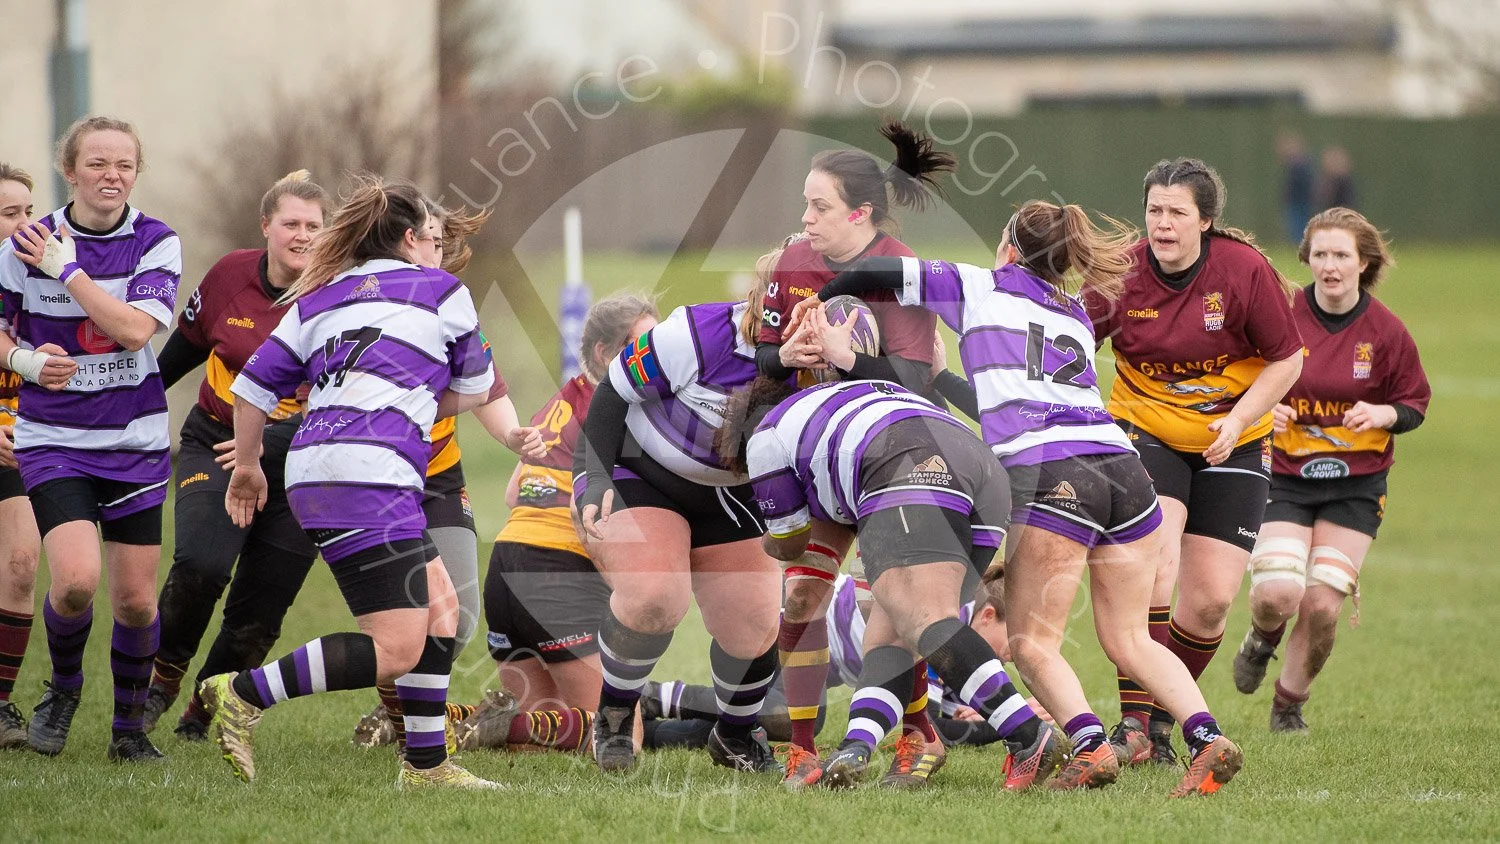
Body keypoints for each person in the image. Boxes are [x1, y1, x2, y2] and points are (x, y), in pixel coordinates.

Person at [804, 199, 1245, 796]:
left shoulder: (977, 287)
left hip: (1054, 475)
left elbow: (876, 271)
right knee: (1131, 638)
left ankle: (1088, 745)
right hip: (1125, 470)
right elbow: (1009, 395)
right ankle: (1206, 736)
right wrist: (932, 377)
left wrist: (822, 300)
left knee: (1032, 643)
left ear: (1009, 245)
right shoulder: (1074, 314)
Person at [199, 176, 501, 790]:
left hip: (318, 468)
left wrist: (252, 464)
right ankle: (243, 692)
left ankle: (425, 767)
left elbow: (252, 390)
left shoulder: (321, 295)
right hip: (371, 474)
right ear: (413, 238)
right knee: (395, 646)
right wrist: (408, 399)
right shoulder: (443, 292)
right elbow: (475, 389)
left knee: (441, 612)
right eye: (430, 236)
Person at [720, 376, 1064, 791]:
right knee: (897, 635)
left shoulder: (765, 439)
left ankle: (1030, 735)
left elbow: (790, 542)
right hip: (982, 470)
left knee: (926, 620)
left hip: (905, 463)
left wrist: (769, 538)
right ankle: (858, 746)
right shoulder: (835, 412)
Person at [752, 122, 957, 784]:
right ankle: (803, 749)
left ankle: (919, 734)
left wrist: (848, 358)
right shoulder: (791, 264)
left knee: (887, 605)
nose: (804, 219)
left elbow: (919, 385)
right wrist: (783, 358)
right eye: (805, 204)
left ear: (860, 214)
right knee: (801, 598)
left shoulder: (900, 271)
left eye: (820, 207)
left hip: (895, 461)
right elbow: (760, 365)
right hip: (821, 463)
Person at [1087, 158, 1303, 764]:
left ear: (1206, 221)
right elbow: (1072, 341)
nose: (1163, 223)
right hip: (1146, 427)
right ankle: (1133, 727)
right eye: (1154, 210)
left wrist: (1237, 421)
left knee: (1208, 603)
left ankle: (1158, 718)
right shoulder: (1121, 276)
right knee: (1156, 563)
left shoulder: (1242, 270)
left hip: (1234, 436)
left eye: (1177, 212)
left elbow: (1288, 360)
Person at [0, 117, 181, 762]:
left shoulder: (158, 242)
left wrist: (67, 271)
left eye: (124, 165)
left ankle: (128, 731)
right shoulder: (24, 242)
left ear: (136, 173)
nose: (112, 176)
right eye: (97, 163)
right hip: (53, 439)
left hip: (134, 440)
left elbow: (135, 331)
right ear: (69, 171)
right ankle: (65, 689)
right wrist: (22, 364)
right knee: (74, 582)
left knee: (135, 602)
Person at [350, 198, 543, 753]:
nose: (439, 251)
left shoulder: (449, 305)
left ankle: (399, 719)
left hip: (435, 477)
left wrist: (511, 437)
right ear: (401, 241)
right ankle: (401, 722)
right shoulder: (358, 302)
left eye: (441, 240)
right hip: (373, 480)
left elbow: (484, 384)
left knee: (457, 620)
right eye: (429, 240)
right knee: (399, 625)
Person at [141, 171, 329, 740]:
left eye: (314, 227)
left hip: (301, 467)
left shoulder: (342, 295)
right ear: (266, 226)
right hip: (214, 445)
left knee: (259, 613)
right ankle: (161, 681)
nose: (302, 236)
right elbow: (171, 363)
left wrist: (267, 443)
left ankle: (205, 708)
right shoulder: (228, 276)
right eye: (291, 223)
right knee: (201, 566)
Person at [573, 291, 793, 776]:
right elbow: (611, 387)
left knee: (756, 625)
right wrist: (594, 478)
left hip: (730, 493)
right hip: (642, 472)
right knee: (654, 597)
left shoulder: (823, 357)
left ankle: (734, 735)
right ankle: (613, 714)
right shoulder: (699, 332)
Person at [1232, 208, 1429, 733]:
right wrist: (1262, 406)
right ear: (1307, 259)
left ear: (1364, 263)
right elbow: (1240, 377)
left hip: (1357, 488)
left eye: (1342, 255)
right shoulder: (1283, 314)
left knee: (1321, 604)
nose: (1330, 266)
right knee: (1277, 593)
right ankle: (1261, 636)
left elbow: (1414, 403)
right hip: (1285, 477)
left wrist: (1384, 413)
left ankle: (1288, 704)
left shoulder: (1387, 332)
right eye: (1320, 254)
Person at [0, 162, 79, 749]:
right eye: (10, 215)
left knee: (24, 562)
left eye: (29, 212)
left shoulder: (40, 284)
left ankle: (1, 708)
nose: (26, 225)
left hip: (17, 449)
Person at [1277, 130, 1314, 245]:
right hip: (1296, 201)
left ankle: (1301, 246)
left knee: (1299, 228)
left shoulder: (1300, 165)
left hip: (1300, 202)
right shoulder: (1296, 164)